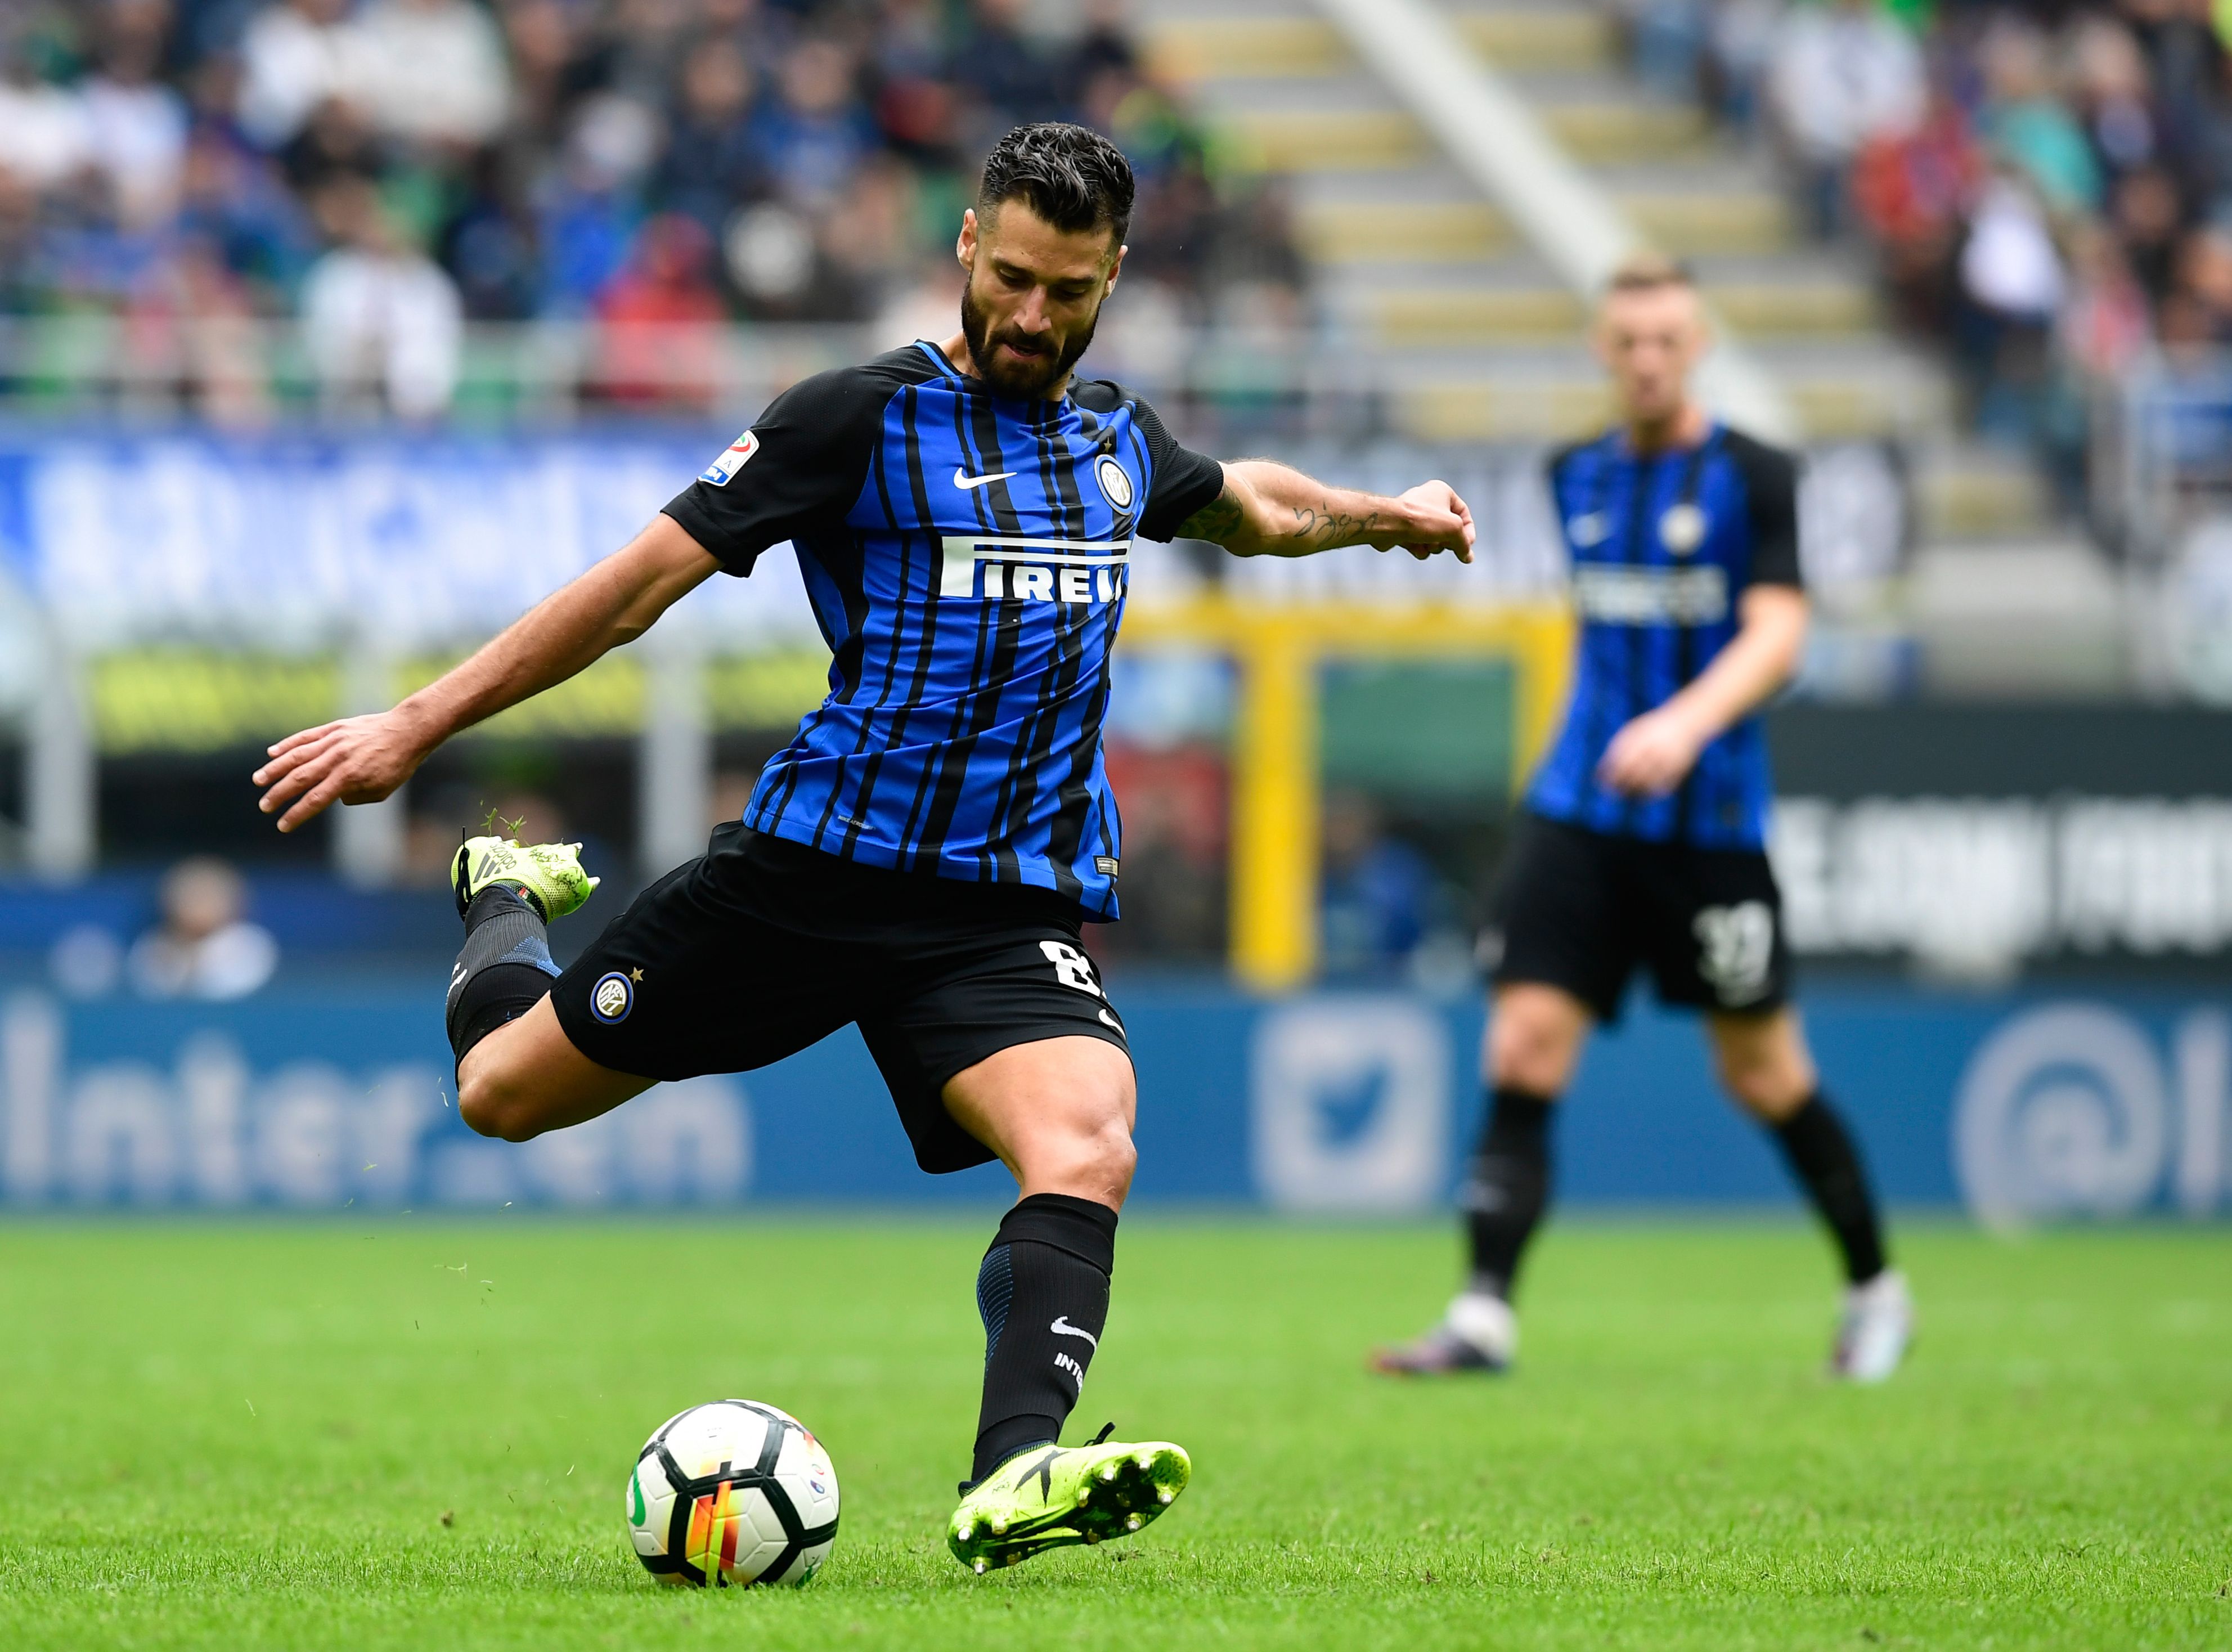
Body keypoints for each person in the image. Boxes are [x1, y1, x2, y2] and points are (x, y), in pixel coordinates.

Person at [253, 122, 1475, 1572]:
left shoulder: (1114, 441)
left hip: (1000, 906)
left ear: (1113, 278)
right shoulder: (854, 419)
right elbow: (635, 587)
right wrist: (416, 723)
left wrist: (1378, 518)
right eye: (1012, 277)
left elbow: (1252, 505)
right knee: (499, 1095)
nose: (1032, 316)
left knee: (1086, 1140)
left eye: (1067, 292)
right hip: (808, 879)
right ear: (967, 244)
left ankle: (1014, 1471)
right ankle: (501, 892)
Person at [1372, 253, 1911, 1385]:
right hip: (1580, 812)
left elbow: (1777, 633)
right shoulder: (1572, 472)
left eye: (1668, 339)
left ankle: (1874, 1288)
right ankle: (1482, 1314)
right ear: (1601, 352)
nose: (1649, 360)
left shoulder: (1756, 475)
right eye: (1629, 342)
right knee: (1522, 1042)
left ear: (1698, 344)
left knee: (1762, 1071)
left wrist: (1682, 723)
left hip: (1709, 825)